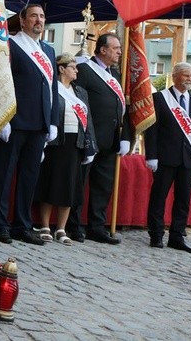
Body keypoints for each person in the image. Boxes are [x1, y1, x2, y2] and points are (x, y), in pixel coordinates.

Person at [0, 4, 58, 245]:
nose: (38, 20)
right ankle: (0, 224)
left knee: (29, 178)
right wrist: (4, 118)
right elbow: (2, 81)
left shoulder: (48, 51)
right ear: (22, 20)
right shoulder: (10, 44)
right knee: (5, 174)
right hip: (16, 121)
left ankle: (22, 225)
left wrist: (52, 120)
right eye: (33, 16)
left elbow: (52, 88)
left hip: (39, 124)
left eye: (42, 16)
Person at [67, 33, 131, 244]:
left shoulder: (115, 74)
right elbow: (77, 101)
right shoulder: (84, 71)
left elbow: (124, 108)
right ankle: (73, 225)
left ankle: (97, 227)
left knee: (103, 186)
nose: (119, 52)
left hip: (111, 140)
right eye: (116, 48)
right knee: (80, 182)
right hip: (88, 138)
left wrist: (125, 136)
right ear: (103, 50)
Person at [144, 62, 191, 253]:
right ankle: (156, 235)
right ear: (175, 76)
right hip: (165, 158)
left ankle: (177, 236)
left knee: (183, 200)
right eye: (186, 75)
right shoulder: (160, 99)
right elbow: (152, 130)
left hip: (188, 160)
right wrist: (152, 155)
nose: (190, 79)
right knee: (159, 197)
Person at [35, 53, 97, 246]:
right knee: (50, 183)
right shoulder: (53, 89)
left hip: (74, 143)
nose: (76, 70)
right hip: (56, 143)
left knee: (70, 186)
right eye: (73, 67)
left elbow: (88, 121)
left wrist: (90, 146)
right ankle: (45, 225)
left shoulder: (80, 92)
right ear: (61, 69)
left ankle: (61, 228)